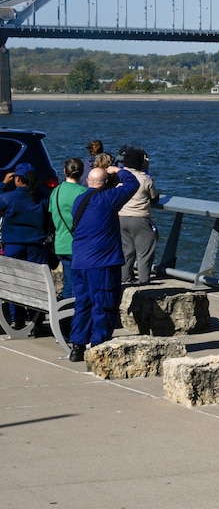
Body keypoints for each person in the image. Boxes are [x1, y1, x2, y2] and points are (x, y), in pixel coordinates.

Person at [68, 165, 140, 362]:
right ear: (106, 183)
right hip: (102, 262)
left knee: (83, 304)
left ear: (88, 182)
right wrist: (118, 170)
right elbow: (132, 183)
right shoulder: (107, 200)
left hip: (80, 261)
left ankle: (77, 344)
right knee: (104, 303)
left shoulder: (79, 200)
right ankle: (100, 344)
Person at [0, 163, 51, 331]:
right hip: (37, 245)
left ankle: (19, 320)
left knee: (14, 283)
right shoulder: (43, 197)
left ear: (18, 179)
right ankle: (37, 319)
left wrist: (3, 184)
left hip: (14, 245)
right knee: (37, 284)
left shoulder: (9, 198)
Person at [117, 147, 159, 285]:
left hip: (121, 217)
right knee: (144, 252)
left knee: (126, 251)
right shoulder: (145, 179)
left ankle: (124, 279)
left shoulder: (118, 177)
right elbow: (154, 197)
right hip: (140, 218)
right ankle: (144, 281)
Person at [49, 158, 89, 300]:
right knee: (80, 285)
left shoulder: (56, 192)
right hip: (79, 245)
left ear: (64, 171)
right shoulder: (84, 192)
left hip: (61, 243)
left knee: (69, 281)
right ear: (82, 173)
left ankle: (66, 316)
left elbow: (52, 215)